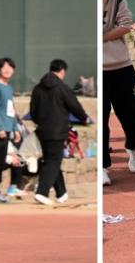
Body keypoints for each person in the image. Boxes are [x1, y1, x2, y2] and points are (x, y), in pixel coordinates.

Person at [102, 0, 135, 186]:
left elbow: (126, 24)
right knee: (101, 118)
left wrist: (103, 37)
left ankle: (134, 148)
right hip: (98, 70)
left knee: (133, 111)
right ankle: (103, 166)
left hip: (122, 66)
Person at [28, 59, 91, 206]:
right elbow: (74, 106)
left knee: (51, 160)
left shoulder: (38, 88)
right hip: (57, 130)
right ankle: (42, 192)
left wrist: (39, 122)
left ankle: (62, 193)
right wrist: (84, 118)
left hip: (42, 130)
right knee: (53, 161)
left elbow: (33, 111)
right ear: (62, 71)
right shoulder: (62, 88)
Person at [0, 57, 24, 203]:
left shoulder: (8, 87)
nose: (8, 70)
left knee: (1, 161)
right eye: (4, 67)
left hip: (8, 128)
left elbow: (11, 108)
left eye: (10, 68)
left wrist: (15, 128)